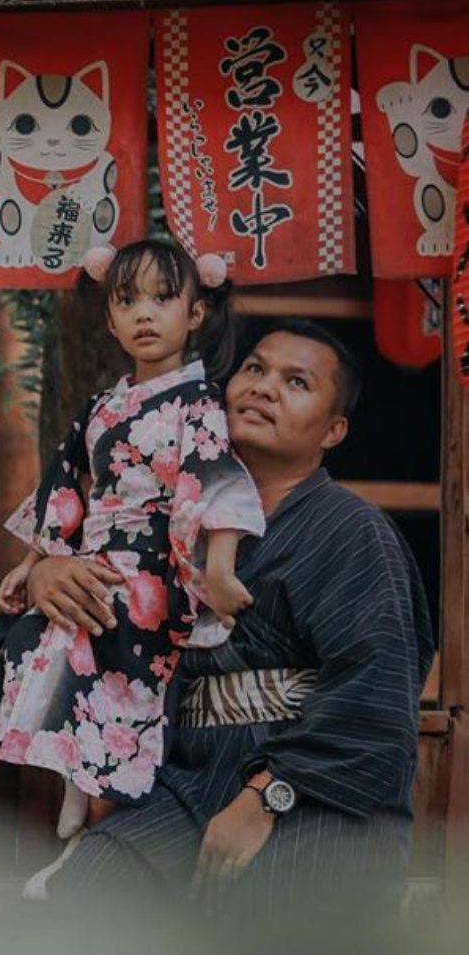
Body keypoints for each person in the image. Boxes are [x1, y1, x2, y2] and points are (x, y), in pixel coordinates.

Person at [43, 320, 435, 913]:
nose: (264, 387)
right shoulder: (175, 525)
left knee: (271, 937)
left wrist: (267, 796)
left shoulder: (353, 532)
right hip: (187, 776)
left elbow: (374, 697)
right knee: (91, 893)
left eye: (296, 380)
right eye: (254, 369)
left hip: (312, 791)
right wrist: (50, 571)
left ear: (334, 429)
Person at [0, 239, 266, 896]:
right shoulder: (101, 407)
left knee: (122, 693)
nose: (145, 314)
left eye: (163, 298)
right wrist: (34, 561)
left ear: (196, 314)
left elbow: (213, 487)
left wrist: (219, 569)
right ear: (111, 320)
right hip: (93, 556)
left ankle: (94, 830)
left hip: (150, 574)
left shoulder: (197, 404)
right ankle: (77, 790)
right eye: (127, 300)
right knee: (37, 645)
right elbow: (67, 488)